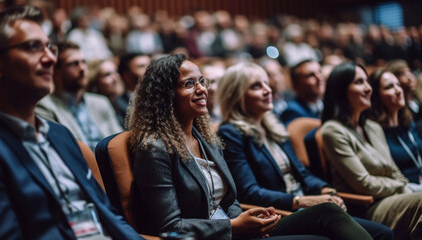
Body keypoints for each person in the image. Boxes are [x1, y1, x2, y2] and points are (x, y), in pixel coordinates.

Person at [128, 54, 373, 240]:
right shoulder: (155, 149)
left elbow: (230, 200)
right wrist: (234, 226)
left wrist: (250, 220)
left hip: (237, 231)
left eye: (201, 81)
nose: (202, 89)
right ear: (165, 95)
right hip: (215, 236)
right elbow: (169, 227)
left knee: (327, 212)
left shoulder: (205, 138)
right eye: (189, 83)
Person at [0, 5, 144, 239]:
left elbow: (108, 215)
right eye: (33, 47)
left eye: (49, 47)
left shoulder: (60, 135)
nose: (50, 58)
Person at [217, 62, 393, 240]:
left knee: (383, 233)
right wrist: (299, 201)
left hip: (304, 207)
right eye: (256, 86)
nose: (267, 90)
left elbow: (302, 173)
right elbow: (250, 191)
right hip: (277, 214)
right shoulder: (230, 133)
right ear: (236, 95)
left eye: (266, 83)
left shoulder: (274, 128)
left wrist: (324, 190)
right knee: (328, 212)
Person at [320, 62, 422, 239]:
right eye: (359, 82)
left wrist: (401, 184)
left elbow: (396, 173)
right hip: (368, 206)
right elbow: (364, 183)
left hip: (394, 197)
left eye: (367, 82)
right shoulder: (333, 130)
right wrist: (402, 186)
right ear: (341, 90)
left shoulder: (373, 127)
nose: (368, 88)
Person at [36, 41, 122, 150]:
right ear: (55, 71)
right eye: (73, 64)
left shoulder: (101, 102)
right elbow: (63, 150)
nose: (82, 68)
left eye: (83, 62)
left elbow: (120, 142)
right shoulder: (45, 108)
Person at [368, 69, 422, 191]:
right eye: (389, 87)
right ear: (377, 96)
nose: (398, 90)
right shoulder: (375, 132)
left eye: (398, 84)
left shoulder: (408, 123)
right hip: (403, 189)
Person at [280, 59, 325, 126]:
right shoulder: (292, 112)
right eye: (310, 75)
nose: (319, 78)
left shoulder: (328, 104)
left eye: (320, 72)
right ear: (296, 85)